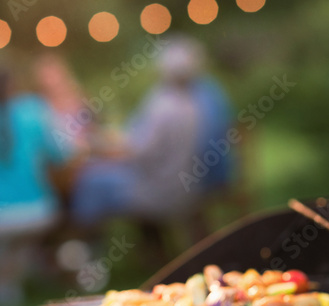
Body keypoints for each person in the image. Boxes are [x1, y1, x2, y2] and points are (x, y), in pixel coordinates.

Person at [70, 35, 235, 227]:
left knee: (91, 181)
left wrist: (101, 147)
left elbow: (140, 153)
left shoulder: (163, 104)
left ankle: (83, 245)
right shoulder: (195, 102)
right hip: (185, 189)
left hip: (161, 193)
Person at [0, 65, 73, 306]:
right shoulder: (33, 110)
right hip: (36, 211)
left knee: (12, 246)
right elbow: (62, 153)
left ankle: (11, 285)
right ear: (11, 85)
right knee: (20, 243)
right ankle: (24, 278)